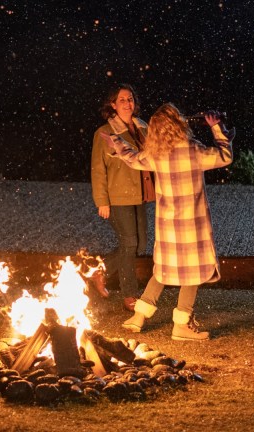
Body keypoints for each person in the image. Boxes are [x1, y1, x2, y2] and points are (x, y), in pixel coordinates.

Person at [109, 103, 233, 341]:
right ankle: (182, 326)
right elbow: (225, 156)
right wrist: (217, 128)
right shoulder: (193, 151)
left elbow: (133, 159)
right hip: (192, 228)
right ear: (178, 125)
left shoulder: (155, 155)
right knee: (193, 273)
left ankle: (138, 317)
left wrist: (116, 144)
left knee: (163, 270)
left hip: (168, 228)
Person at [90, 84, 155, 311]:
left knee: (140, 244)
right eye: (122, 100)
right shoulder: (105, 132)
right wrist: (102, 201)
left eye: (130, 99)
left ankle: (101, 271)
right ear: (113, 105)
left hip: (142, 193)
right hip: (118, 196)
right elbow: (98, 169)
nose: (128, 103)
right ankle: (129, 295)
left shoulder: (144, 128)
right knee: (129, 243)